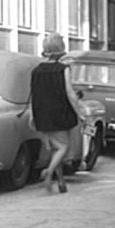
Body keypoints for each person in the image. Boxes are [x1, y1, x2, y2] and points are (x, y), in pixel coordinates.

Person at [29, 33, 84, 194]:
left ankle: (61, 182)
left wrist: (33, 115)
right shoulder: (63, 69)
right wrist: (79, 112)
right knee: (63, 148)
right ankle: (48, 174)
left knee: (54, 148)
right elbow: (70, 93)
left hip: (42, 113)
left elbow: (34, 94)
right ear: (60, 50)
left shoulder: (36, 71)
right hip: (59, 113)